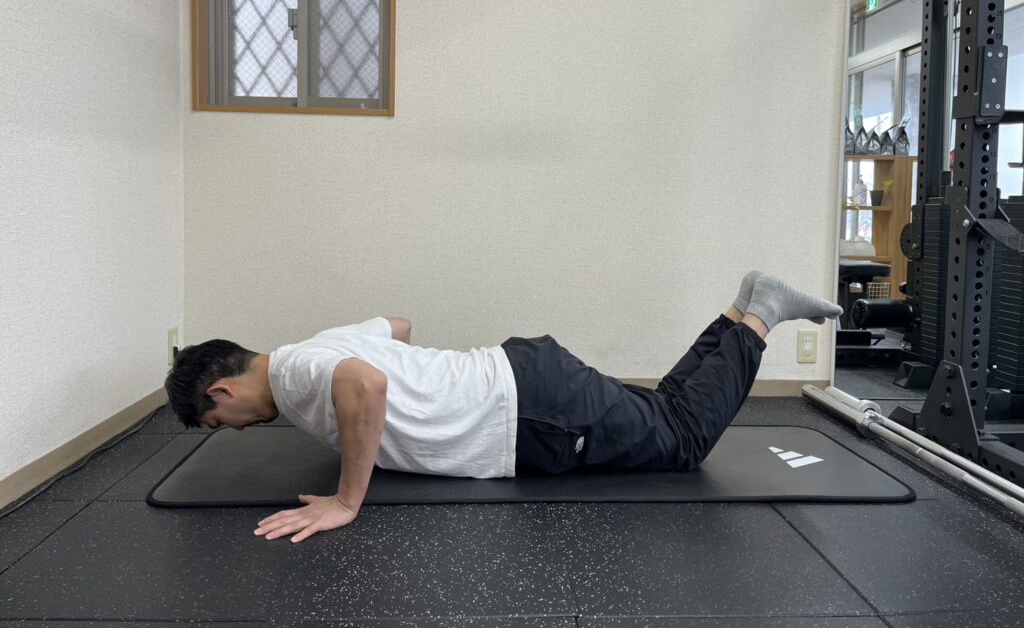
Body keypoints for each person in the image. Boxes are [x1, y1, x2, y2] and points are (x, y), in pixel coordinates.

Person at [164, 271, 841, 544]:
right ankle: (739, 309)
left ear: (220, 392)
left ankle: (760, 316)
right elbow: (397, 328)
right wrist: (429, 399)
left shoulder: (296, 376)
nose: (232, 431)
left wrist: (346, 501)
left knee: (682, 440)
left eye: (219, 424)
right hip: (523, 379)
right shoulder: (310, 348)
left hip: (530, 412)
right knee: (666, 409)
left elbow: (365, 388)